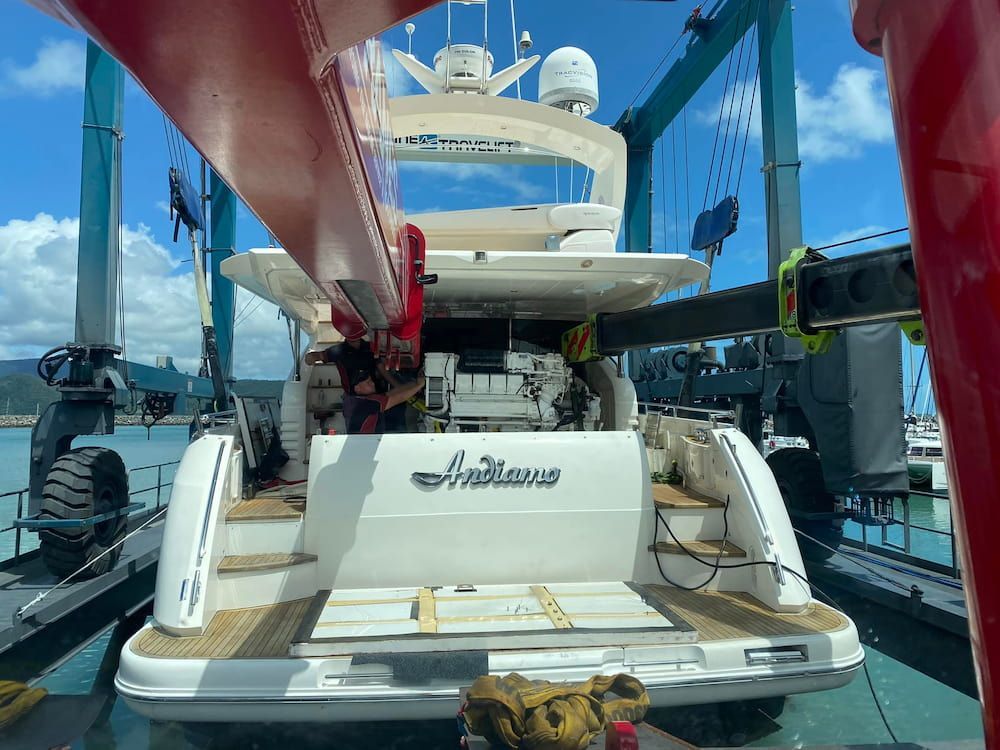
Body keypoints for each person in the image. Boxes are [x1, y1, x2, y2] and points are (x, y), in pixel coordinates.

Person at [342, 367, 426, 434]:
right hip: (366, 445)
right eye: (368, 383)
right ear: (358, 388)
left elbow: (391, 393)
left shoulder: (358, 399)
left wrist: (416, 383)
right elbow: (398, 398)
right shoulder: (368, 403)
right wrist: (419, 385)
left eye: (371, 381)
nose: (373, 384)